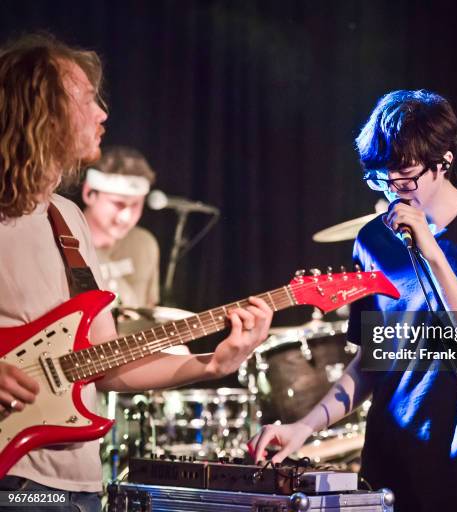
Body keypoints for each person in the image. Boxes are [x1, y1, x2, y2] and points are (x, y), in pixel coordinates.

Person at [0, 34, 273, 511]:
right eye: (87, 99)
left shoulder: (67, 220)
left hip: (80, 483)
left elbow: (106, 363)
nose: (103, 113)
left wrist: (213, 364)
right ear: (41, 109)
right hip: (14, 482)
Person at [250, 90, 457, 512]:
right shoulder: (373, 241)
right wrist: (303, 427)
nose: (393, 189)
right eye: (380, 178)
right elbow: (370, 364)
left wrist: (433, 254)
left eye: (404, 176)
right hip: (387, 467)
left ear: (445, 160)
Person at [82, 146, 160, 309]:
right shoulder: (63, 241)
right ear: (89, 193)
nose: (126, 217)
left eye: (136, 204)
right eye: (118, 203)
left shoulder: (145, 243)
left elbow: (148, 312)